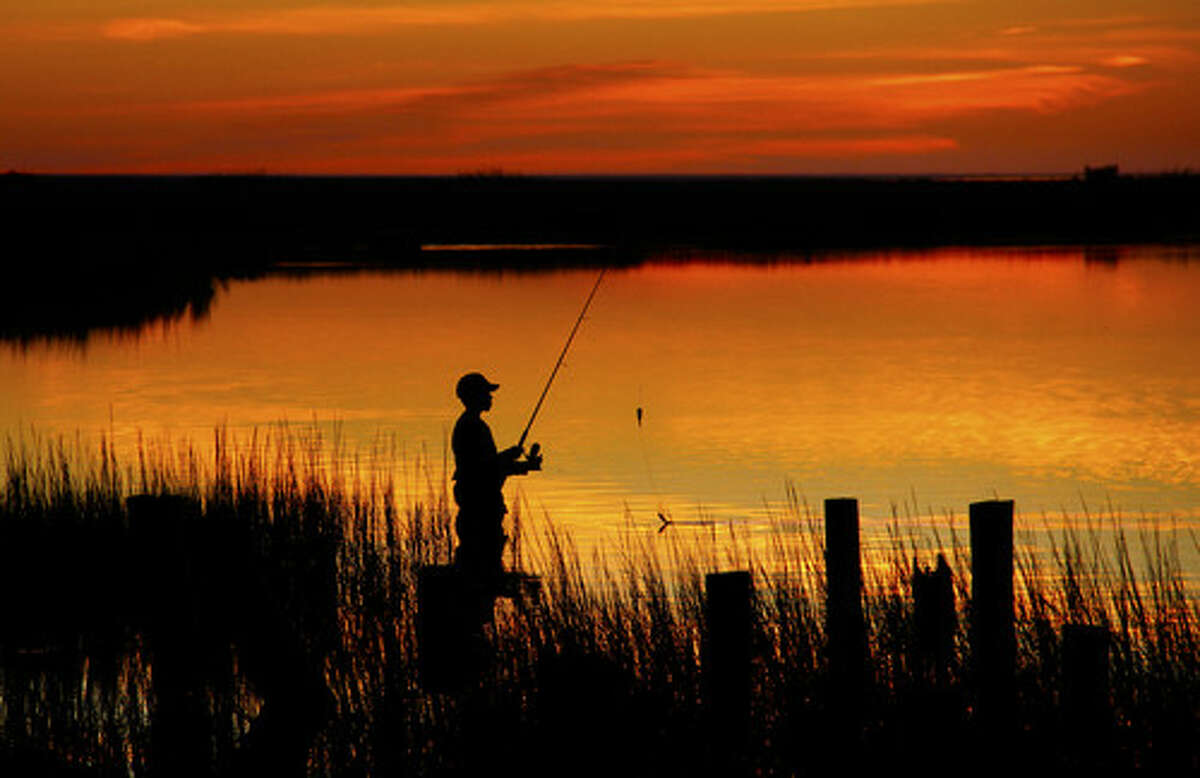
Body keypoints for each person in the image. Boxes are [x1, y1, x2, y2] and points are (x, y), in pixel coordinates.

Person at [451, 372, 542, 583]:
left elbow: (489, 467)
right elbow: (482, 467)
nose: (491, 398)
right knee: (482, 564)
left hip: (480, 500)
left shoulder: (473, 425)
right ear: (475, 396)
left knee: (485, 560)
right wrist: (509, 455)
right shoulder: (472, 427)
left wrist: (524, 465)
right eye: (486, 393)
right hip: (479, 503)